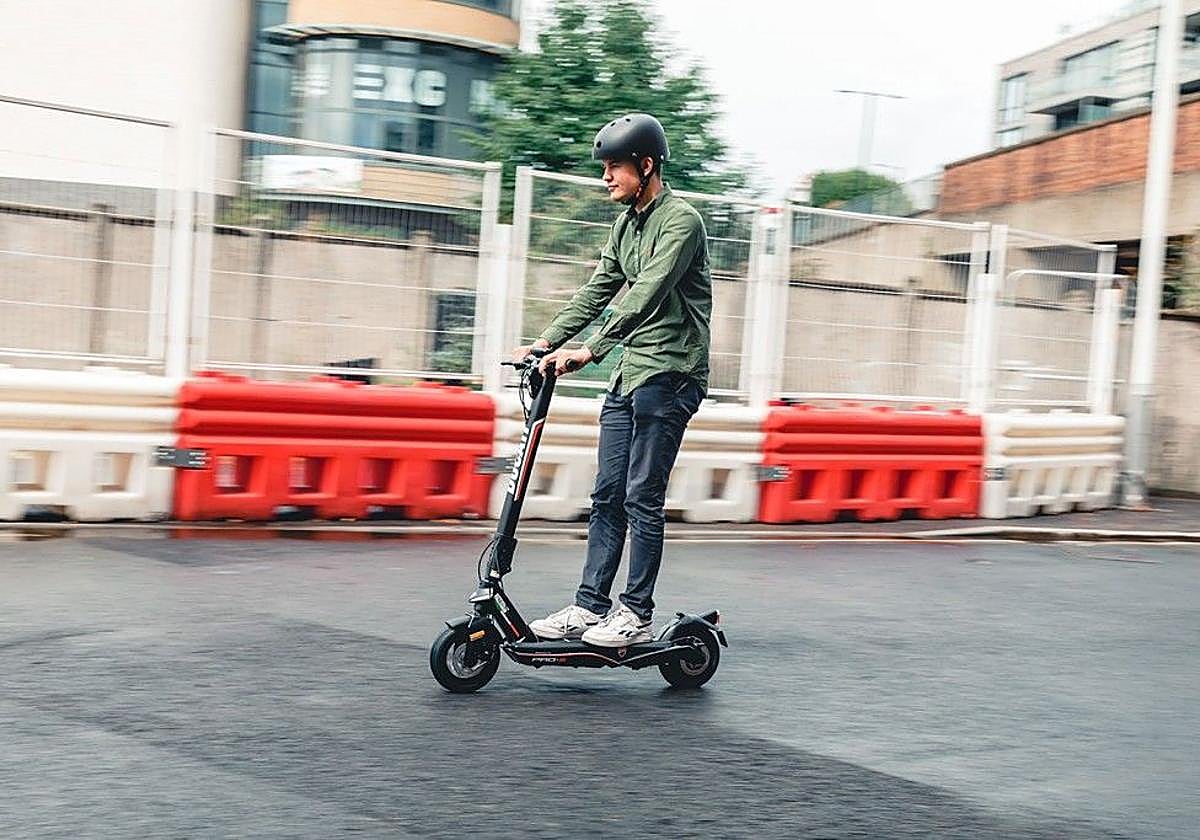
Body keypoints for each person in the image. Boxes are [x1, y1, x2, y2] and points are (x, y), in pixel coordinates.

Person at [511, 113, 712, 647]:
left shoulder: (680, 222)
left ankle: (635, 613)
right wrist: (545, 342)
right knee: (606, 495)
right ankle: (589, 606)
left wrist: (591, 350)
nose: (605, 178)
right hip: (629, 375)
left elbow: (645, 294)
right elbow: (598, 288)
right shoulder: (626, 225)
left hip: (671, 372)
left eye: (614, 168)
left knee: (641, 495)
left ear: (645, 166)